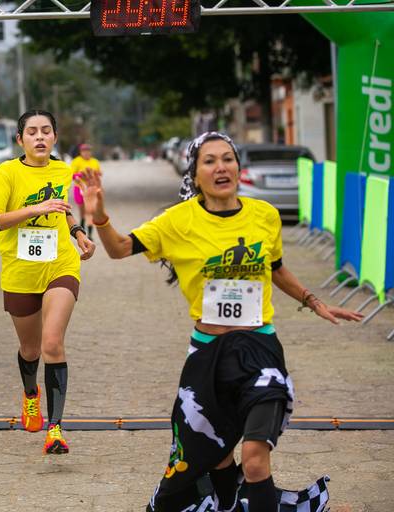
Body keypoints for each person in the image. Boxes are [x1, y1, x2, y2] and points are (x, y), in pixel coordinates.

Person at [77, 131, 363, 511]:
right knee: (216, 455)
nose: (220, 167)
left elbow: (276, 268)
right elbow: (119, 249)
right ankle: (228, 503)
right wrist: (99, 216)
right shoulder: (177, 221)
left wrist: (313, 301)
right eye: (209, 161)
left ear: (238, 168)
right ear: (195, 175)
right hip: (208, 356)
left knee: (256, 458)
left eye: (228, 159)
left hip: (260, 351)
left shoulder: (265, 215)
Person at [0, 110, 96, 454]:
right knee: (30, 349)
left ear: (55, 137)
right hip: (20, 270)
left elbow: (62, 208)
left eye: (46, 131)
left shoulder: (62, 169)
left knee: (52, 343)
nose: (40, 137)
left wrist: (78, 232)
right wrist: (34, 209)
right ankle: (31, 394)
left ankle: (55, 428)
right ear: (20, 140)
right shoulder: (5, 173)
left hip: (60, 264)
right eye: (32, 132)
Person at [70, 143, 101, 238]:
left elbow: (98, 174)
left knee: (90, 211)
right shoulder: (76, 161)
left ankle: (90, 235)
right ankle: (82, 233)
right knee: (82, 212)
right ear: (81, 152)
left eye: (88, 151)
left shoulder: (95, 161)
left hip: (91, 188)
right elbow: (71, 175)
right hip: (79, 188)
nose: (87, 153)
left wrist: (97, 174)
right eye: (84, 151)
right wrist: (80, 175)